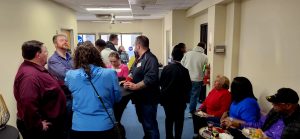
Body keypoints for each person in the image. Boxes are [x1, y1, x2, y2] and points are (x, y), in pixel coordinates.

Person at [64, 42, 121, 139]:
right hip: (104, 124)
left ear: (77, 58)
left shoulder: (70, 75)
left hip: (79, 125)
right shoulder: (110, 74)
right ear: (97, 56)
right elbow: (117, 98)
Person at [14, 40, 66, 139]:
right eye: (45, 52)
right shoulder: (29, 76)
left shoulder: (35, 68)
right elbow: (27, 103)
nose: (47, 54)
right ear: (38, 55)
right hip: (40, 128)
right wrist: (38, 125)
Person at [223, 88, 300, 139]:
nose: (273, 105)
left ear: (288, 105)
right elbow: (259, 125)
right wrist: (236, 124)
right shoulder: (276, 112)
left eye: (276, 104)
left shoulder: (296, 123)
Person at [123, 35, 160, 139]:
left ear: (138, 46)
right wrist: (128, 80)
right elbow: (132, 71)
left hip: (149, 99)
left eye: (135, 45)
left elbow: (151, 78)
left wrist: (136, 86)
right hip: (140, 98)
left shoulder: (151, 59)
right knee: (143, 121)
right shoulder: (138, 58)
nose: (134, 47)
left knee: (150, 124)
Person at [160, 44, 192, 139]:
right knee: (179, 120)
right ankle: (178, 137)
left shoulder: (166, 68)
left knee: (169, 119)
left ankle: (169, 137)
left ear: (172, 56)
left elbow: (161, 83)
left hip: (167, 100)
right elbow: (188, 86)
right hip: (180, 100)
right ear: (182, 57)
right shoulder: (184, 70)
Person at [48, 34, 73, 138]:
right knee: (65, 126)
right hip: (64, 97)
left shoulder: (71, 57)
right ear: (55, 44)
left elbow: (76, 71)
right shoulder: (53, 60)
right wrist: (76, 72)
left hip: (75, 95)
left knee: (73, 124)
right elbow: (65, 74)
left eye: (66, 40)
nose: (65, 42)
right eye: (62, 40)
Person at [181, 42, 208, 117]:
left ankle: (180, 110)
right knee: (194, 96)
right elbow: (204, 69)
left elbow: (182, 64)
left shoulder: (188, 53)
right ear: (203, 48)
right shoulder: (205, 57)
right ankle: (191, 112)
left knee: (183, 94)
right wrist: (204, 77)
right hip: (197, 78)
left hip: (186, 78)